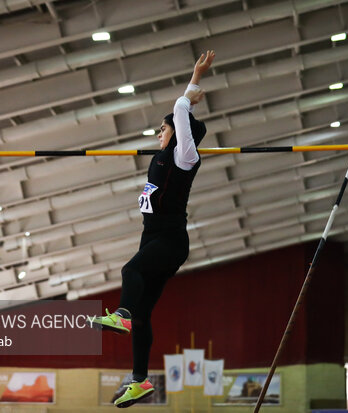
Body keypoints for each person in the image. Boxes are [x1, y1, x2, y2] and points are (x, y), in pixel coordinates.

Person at [93, 50, 216, 408]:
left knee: (131, 271)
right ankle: (140, 381)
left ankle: (122, 315)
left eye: (162, 129)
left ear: (178, 134)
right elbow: (181, 118)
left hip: (170, 239)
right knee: (144, 314)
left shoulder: (184, 156)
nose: (158, 133)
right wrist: (188, 107)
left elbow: (180, 116)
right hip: (157, 239)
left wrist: (193, 81)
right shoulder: (167, 156)